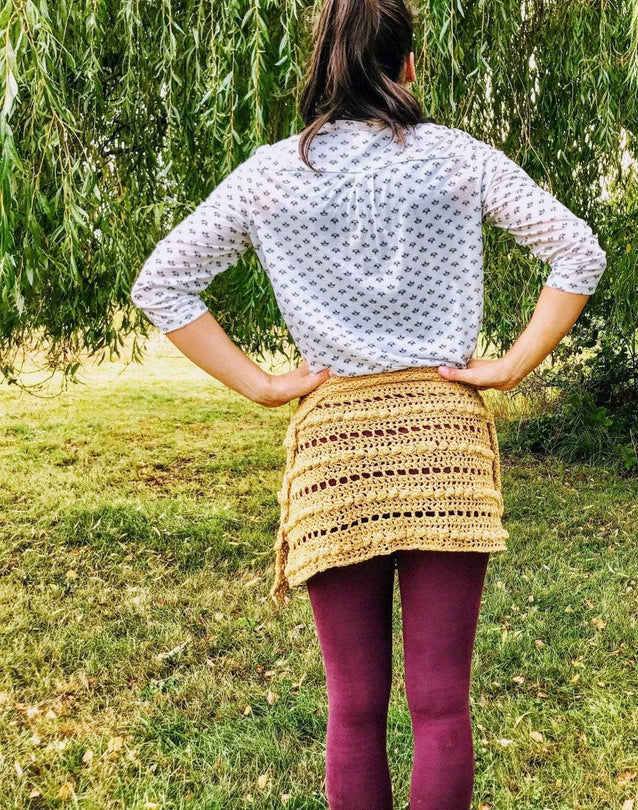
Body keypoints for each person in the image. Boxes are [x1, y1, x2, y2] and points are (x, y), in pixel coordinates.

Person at [128, 0, 607, 807]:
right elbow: (578, 251)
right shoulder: (459, 158)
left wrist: (265, 385)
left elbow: (161, 283)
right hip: (445, 441)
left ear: (323, 65)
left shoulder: (271, 173)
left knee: (353, 710)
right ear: (407, 66)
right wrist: (514, 366)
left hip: (334, 452)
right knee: (441, 703)